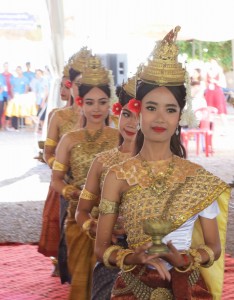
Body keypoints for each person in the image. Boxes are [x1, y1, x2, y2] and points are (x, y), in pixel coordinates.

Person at [95, 26, 230, 300]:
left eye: (170, 110)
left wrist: (184, 260)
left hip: (188, 287)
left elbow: (214, 247)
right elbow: (101, 248)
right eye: (151, 107)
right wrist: (134, 256)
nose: (159, 118)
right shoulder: (117, 175)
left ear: (180, 115)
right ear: (138, 111)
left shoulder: (197, 178)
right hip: (134, 287)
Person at [51, 54, 119, 299]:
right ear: (80, 102)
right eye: (90, 102)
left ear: (109, 103)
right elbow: (56, 179)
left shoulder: (119, 136)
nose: (97, 109)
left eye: (102, 102)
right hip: (79, 217)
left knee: (109, 282)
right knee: (82, 281)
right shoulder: (69, 139)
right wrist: (72, 192)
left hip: (113, 219)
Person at [75, 75, 139, 300]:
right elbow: (81, 210)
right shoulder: (102, 161)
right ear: (118, 113)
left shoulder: (165, 163)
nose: (131, 124)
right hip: (113, 252)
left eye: (140, 118)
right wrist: (94, 226)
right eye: (127, 115)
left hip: (156, 253)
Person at [38, 48, 92, 278]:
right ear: (70, 85)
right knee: (63, 226)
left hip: (94, 183)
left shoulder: (102, 115)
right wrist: (62, 167)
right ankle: (65, 266)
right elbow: (47, 153)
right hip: (67, 182)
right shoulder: (58, 116)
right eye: (80, 83)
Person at [205, 59, 229, 135]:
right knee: (209, 112)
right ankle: (210, 130)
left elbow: (223, 85)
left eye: (214, 63)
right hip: (209, 93)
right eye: (211, 62)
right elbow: (205, 84)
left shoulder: (220, 72)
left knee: (221, 111)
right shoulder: (207, 72)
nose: (212, 64)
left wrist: (215, 82)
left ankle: (225, 129)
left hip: (218, 93)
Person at [5, 66, 29, 130]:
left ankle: (22, 125)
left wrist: (24, 96)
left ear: (21, 71)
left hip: (22, 97)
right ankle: (15, 126)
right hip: (15, 97)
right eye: (17, 70)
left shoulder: (25, 79)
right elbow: (12, 88)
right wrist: (13, 96)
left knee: (22, 111)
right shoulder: (14, 79)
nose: (18, 71)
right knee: (14, 110)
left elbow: (26, 88)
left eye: (19, 70)